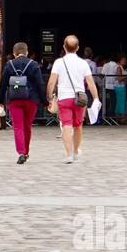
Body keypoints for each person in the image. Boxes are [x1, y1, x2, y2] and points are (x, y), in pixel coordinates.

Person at [47, 34, 99, 164]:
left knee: (66, 126)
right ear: (77, 48)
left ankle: (68, 154)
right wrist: (96, 98)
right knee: (78, 126)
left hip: (64, 98)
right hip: (80, 98)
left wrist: (49, 97)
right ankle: (76, 151)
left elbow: (51, 81)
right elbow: (90, 83)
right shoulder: (83, 63)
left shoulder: (59, 62)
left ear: (64, 47)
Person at [0, 41, 46, 165]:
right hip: (31, 100)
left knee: (18, 126)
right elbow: (40, 84)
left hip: (14, 100)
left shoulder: (9, 65)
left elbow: (2, 85)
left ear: (14, 53)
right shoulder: (34, 65)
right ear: (27, 52)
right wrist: (44, 101)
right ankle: (26, 151)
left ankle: (21, 152)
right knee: (27, 127)